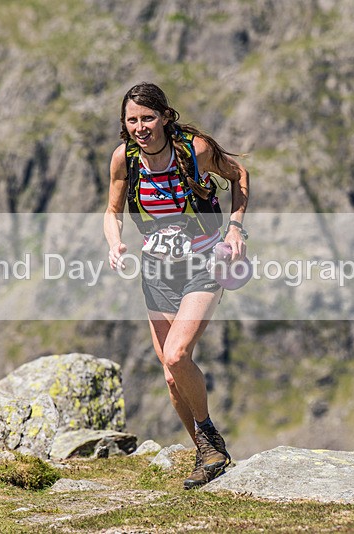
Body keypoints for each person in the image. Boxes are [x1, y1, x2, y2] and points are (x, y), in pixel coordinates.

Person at [103, 82, 249, 488]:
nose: (140, 127)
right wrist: (115, 243)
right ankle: (208, 453)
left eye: (148, 118)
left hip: (204, 263)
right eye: (132, 120)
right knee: (171, 375)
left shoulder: (195, 150)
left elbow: (239, 174)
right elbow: (112, 210)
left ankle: (209, 437)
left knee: (177, 353)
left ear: (166, 117)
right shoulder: (124, 158)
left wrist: (235, 228)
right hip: (156, 271)